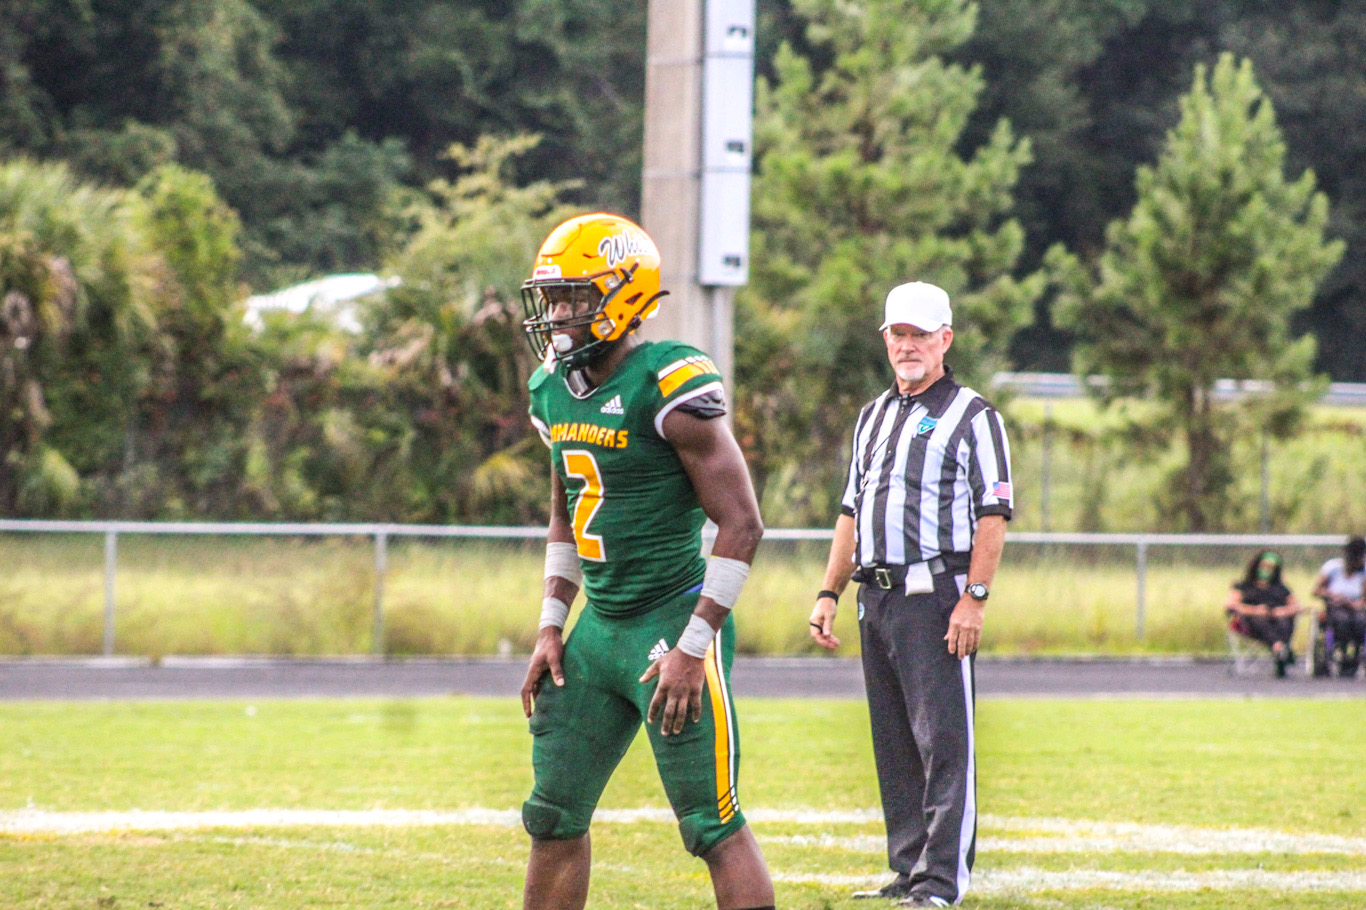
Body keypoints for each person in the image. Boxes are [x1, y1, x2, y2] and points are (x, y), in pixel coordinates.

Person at [516, 212, 775, 910]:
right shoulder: (551, 389)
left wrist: (695, 645)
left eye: (573, 297)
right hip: (598, 630)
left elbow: (743, 524)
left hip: (670, 623)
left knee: (711, 825)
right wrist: (550, 625)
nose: (558, 315)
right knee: (552, 814)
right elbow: (568, 514)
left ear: (623, 295)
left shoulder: (667, 383)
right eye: (552, 299)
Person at [808, 281, 1011, 908]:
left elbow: (993, 513)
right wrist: (828, 591)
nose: (908, 346)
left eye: (920, 334)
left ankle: (941, 881)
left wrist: (975, 597)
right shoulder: (872, 415)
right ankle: (908, 869)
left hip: (936, 594)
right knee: (894, 744)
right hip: (877, 596)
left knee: (944, 743)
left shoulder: (974, 416)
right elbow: (851, 510)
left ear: (945, 339)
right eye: (898, 334)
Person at [1224, 550, 1302, 678]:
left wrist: (1282, 611)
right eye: (1264, 566)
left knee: (1284, 622)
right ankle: (1281, 649)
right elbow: (1230, 605)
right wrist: (1254, 610)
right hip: (1252, 624)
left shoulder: (1281, 588)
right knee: (1259, 620)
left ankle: (1279, 649)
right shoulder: (1243, 587)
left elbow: (1296, 607)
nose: (1267, 570)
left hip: (1278, 621)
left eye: (1271, 568)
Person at [1310, 536, 1366, 677]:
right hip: (1335, 607)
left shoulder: (1363, 573)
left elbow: (1363, 599)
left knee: (1360, 621)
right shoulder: (1333, 568)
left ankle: (1354, 654)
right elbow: (1316, 590)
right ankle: (1341, 650)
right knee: (1341, 620)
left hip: (1355, 608)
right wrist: (1332, 595)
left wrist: (1353, 604)